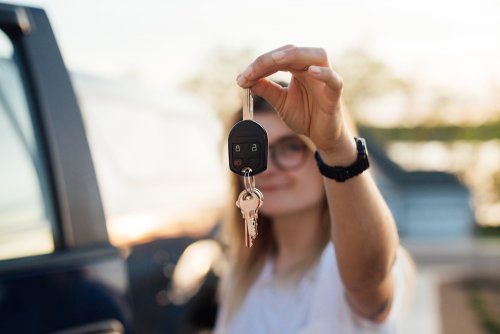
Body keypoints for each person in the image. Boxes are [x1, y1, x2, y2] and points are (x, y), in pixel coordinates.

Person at [213, 45, 415, 334]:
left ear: (318, 154)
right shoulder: (242, 274)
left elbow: (369, 278)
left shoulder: (341, 266)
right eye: (256, 152)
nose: (268, 168)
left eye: (291, 147)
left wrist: (335, 148)